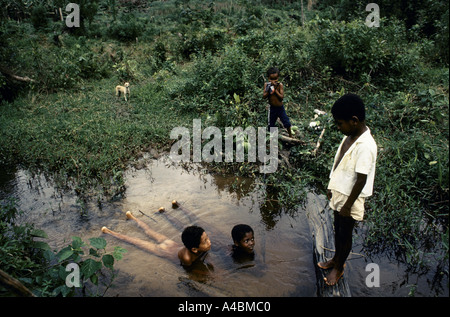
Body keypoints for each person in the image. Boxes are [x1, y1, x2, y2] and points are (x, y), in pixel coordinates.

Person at [317, 93, 377, 286]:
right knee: (337, 229)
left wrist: (348, 206)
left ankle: (340, 267)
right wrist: (330, 185)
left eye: (339, 123)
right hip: (340, 191)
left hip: (352, 198)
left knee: (345, 233)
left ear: (354, 120)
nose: (338, 127)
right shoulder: (350, 135)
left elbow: (361, 179)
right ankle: (335, 259)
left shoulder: (366, 145)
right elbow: (339, 163)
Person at [101, 211, 211, 267]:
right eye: (205, 241)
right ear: (195, 249)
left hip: (170, 243)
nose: (209, 242)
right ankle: (108, 231)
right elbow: (188, 268)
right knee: (136, 241)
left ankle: (131, 217)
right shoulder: (187, 259)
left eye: (207, 238)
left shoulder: (193, 247)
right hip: (163, 250)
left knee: (148, 230)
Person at [263, 67, 293, 137]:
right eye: (271, 79)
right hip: (272, 108)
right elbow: (264, 96)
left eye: (275, 79)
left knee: (286, 122)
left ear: (278, 78)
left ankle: (290, 135)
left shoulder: (280, 85)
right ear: (268, 78)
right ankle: (272, 138)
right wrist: (269, 90)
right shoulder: (267, 85)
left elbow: (281, 97)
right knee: (271, 125)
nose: (274, 81)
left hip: (280, 108)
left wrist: (275, 91)